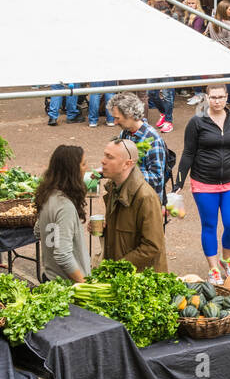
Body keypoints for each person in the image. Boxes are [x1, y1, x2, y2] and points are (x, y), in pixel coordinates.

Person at [176, 83, 230, 283]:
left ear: (226, 97)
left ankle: (227, 259)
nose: (217, 101)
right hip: (204, 182)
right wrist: (179, 181)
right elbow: (188, 152)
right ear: (206, 98)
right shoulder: (197, 122)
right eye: (213, 97)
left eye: (221, 97)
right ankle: (213, 268)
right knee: (209, 225)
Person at [100, 139, 167, 272]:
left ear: (127, 164)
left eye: (110, 157)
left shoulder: (145, 197)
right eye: (104, 155)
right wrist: (104, 229)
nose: (103, 161)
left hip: (142, 279)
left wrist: (117, 268)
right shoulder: (114, 188)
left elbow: (152, 246)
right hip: (123, 277)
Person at [34, 145, 90, 284]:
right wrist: (84, 284)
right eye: (83, 164)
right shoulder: (65, 206)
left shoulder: (47, 196)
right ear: (72, 170)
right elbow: (63, 255)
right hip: (67, 287)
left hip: (50, 278)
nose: (86, 168)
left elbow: (38, 231)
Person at [110, 92, 168, 203]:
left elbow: (156, 178)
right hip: (130, 200)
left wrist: (125, 172)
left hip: (147, 204)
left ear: (130, 115)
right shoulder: (125, 134)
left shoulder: (152, 139)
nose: (115, 122)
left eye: (117, 118)